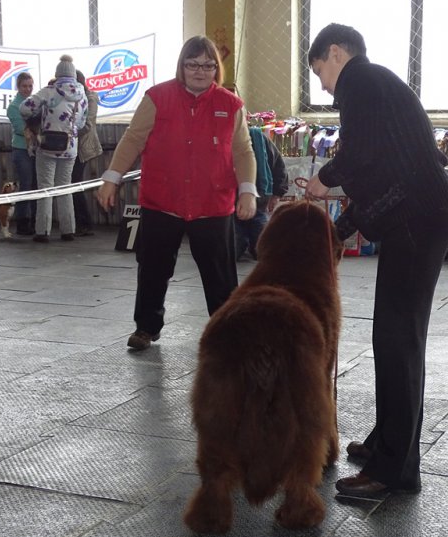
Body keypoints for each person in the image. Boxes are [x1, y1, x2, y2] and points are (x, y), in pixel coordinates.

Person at [305, 23, 448, 498]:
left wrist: (324, 178)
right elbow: (383, 169)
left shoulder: (363, 83)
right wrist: (341, 229)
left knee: (398, 341)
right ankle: (386, 443)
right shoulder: (376, 87)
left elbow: (362, 155)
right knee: (393, 338)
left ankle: (395, 471)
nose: (324, 86)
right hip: (416, 216)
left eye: (319, 72)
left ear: (335, 52)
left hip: (416, 220)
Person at [95, 35, 256, 351]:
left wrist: (248, 191)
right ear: (181, 66)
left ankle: (228, 331)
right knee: (153, 269)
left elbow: (243, 151)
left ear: (216, 69)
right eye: (192, 64)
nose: (200, 71)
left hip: (213, 205)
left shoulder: (231, 105)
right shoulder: (157, 98)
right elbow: (132, 140)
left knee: (221, 276)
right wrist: (111, 179)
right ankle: (146, 328)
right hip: (162, 203)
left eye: (208, 65)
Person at [20, 55, 87, 242]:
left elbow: (24, 108)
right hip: (70, 146)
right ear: (73, 74)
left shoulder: (49, 91)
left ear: (57, 74)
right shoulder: (81, 94)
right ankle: (68, 230)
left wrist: (41, 116)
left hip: (46, 146)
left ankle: (42, 231)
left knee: (45, 188)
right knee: (65, 187)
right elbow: (81, 123)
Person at [235, 127, 288, 260]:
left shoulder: (259, 138)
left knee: (264, 252)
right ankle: (241, 242)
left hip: (259, 204)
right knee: (231, 251)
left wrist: (277, 194)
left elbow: (278, 166)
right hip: (231, 210)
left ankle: (250, 243)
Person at [71, 70, 103, 236]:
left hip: (81, 148)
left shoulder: (90, 98)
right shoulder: (75, 96)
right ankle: (79, 222)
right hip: (73, 146)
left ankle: (84, 222)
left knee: (74, 184)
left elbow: (88, 124)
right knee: (72, 185)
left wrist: (67, 132)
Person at [6, 72, 36, 235]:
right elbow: (20, 129)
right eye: (24, 86)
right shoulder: (13, 107)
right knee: (25, 185)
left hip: (35, 150)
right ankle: (22, 222)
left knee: (35, 185)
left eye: (30, 86)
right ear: (18, 87)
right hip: (21, 149)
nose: (28, 89)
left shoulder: (34, 103)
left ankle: (34, 220)